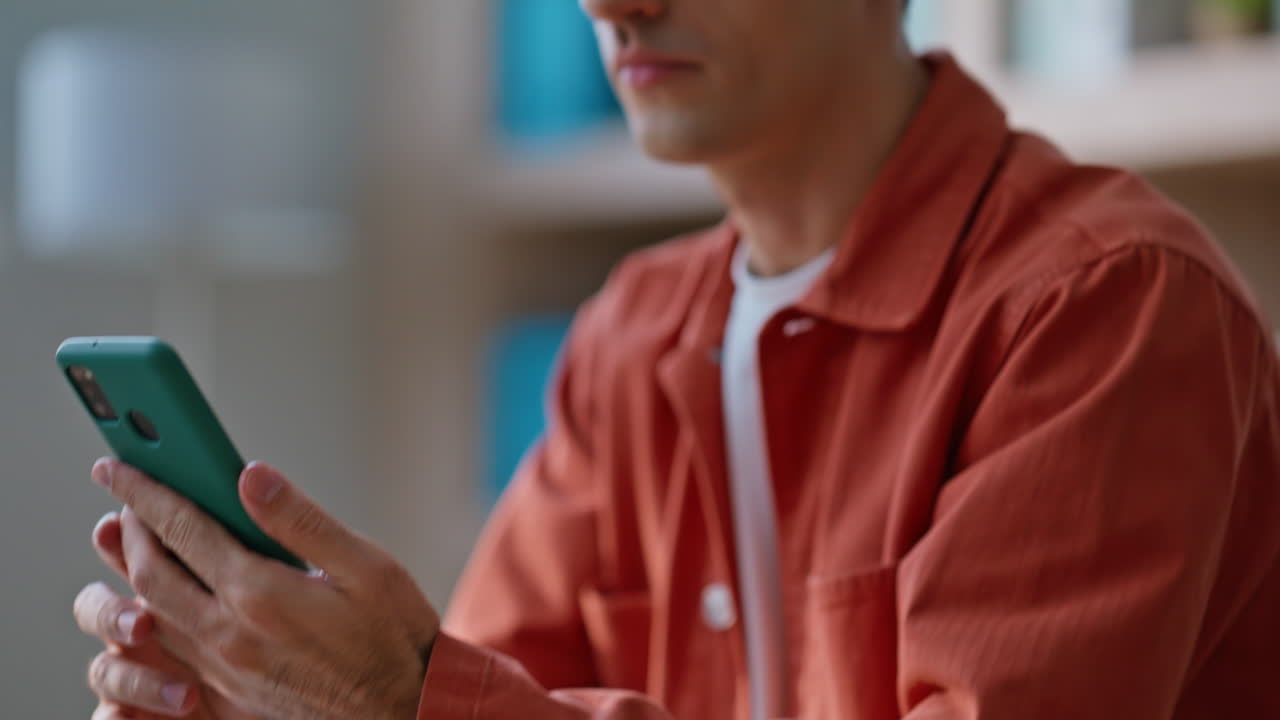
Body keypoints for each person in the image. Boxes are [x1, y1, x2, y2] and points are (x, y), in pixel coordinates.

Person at [73, 0, 1280, 717]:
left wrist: (404, 700)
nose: (610, 1)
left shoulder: (1100, 308)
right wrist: (275, 691)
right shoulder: (628, 336)